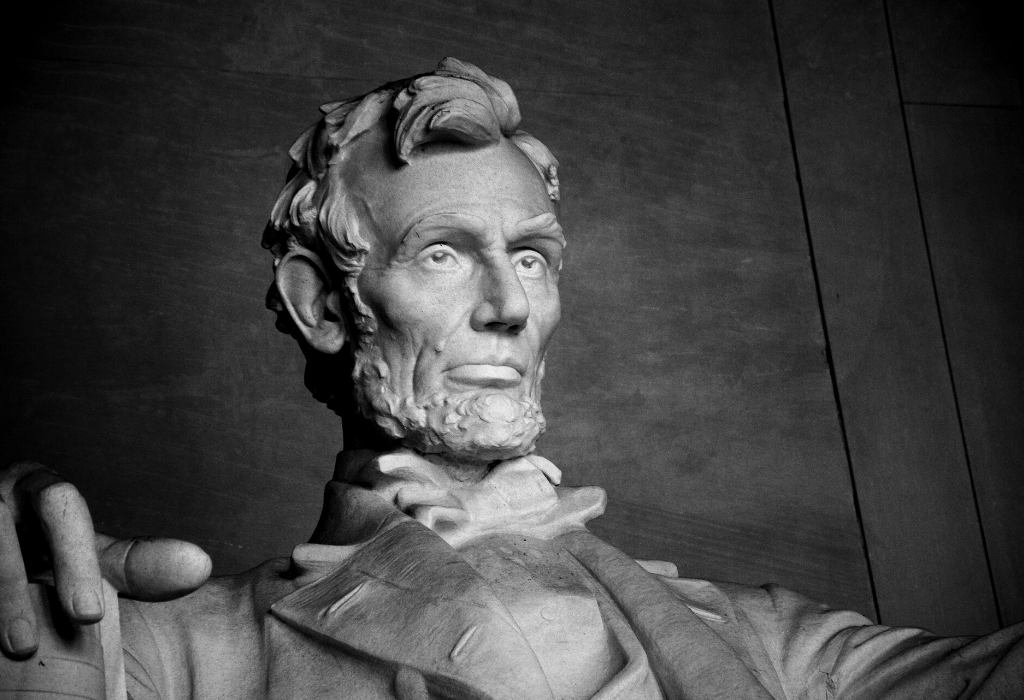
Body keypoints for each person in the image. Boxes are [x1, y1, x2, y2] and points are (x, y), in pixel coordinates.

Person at [1, 58, 1022, 700]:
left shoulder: (768, 639)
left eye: (530, 257)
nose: (510, 306)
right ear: (321, 303)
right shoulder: (174, 655)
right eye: (444, 252)